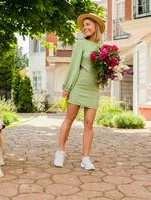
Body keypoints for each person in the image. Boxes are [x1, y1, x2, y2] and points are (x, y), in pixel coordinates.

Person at [53, 13, 105, 170]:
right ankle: (60, 152)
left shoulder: (103, 48)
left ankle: (86, 158)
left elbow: (103, 70)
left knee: (89, 123)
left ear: (95, 26)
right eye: (84, 25)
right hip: (78, 86)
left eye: (88, 24)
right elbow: (74, 66)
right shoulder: (80, 44)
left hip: (93, 88)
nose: (85, 27)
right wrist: (66, 87)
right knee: (69, 119)